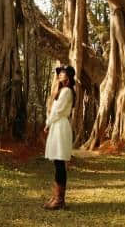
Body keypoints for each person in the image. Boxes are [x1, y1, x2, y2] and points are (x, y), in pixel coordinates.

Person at [43, 65, 76, 210]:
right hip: (57, 126)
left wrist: (47, 124)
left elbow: (57, 111)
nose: (60, 74)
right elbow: (54, 110)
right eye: (60, 73)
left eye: (63, 73)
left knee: (59, 163)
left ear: (68, 76)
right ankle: (56, 196)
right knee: (57, 163)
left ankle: (59, 200)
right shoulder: (62, 90)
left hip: (60, 126)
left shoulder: (67, 91)